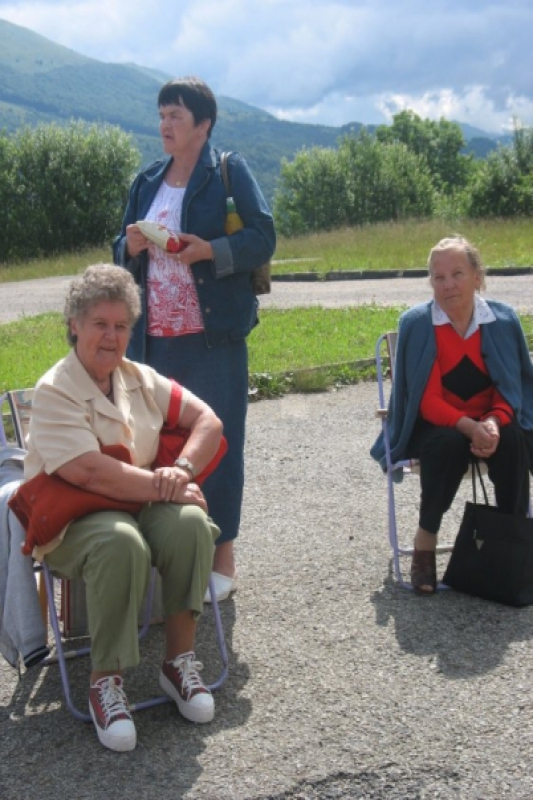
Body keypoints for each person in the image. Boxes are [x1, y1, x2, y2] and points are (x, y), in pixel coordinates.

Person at [24, 264, 223, 752]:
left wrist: (184, 472)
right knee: (121, 542)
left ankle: (178, 664)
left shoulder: (138, 377)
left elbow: (208, 421)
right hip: (73, 517)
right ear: (74, 324)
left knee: (191, 524)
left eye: (121, 326)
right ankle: (104, 682)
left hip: (137, 500)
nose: (111, 337)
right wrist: (164, 485)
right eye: (99, 324)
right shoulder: (55, 389)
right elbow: (91, 474)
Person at [113, 76, 276, 603]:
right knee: (159, 448)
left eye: (176, 116)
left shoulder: (228, 172)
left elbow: (262, 237)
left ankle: (221, 554)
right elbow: (120, 249)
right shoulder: (147, 180)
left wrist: (209, 251)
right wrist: (130, 245)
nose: (164, 124)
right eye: (161, 114)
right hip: (153, 343)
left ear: (203, 124)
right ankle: (173, 555)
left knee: (218, 448)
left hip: (213, 340)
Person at [371, 236, 533, 594]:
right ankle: (425, 543)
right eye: (438, 277)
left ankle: (513, 545)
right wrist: (469, 427)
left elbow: (512, 390)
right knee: (446, 445)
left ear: (478, 277)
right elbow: (424, 400)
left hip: (492, 420)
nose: (448, 285)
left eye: (457, 273)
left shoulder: (502, 321)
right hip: (437, 425)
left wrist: (490, 423)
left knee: (514, 439)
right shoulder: (417, 324)